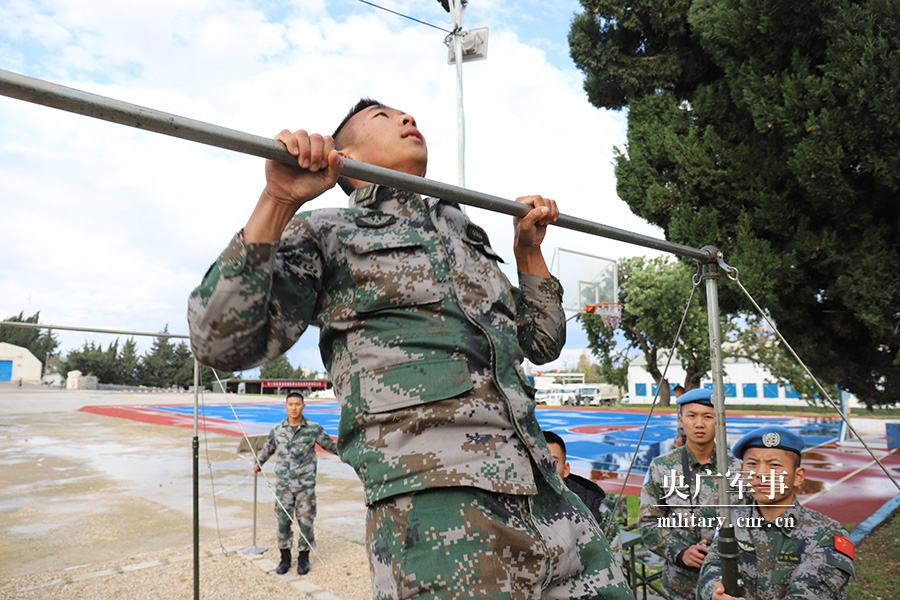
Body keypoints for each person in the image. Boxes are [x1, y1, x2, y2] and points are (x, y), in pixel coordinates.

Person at [188, 99, 632, 599]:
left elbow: (543, 342)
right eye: (383, 117)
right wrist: (277, 199)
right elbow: (216, 341)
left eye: (409, 115)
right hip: (439, 504)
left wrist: (528, 253)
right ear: (343, 153)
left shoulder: (469, 241)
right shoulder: (329, 231)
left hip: (548, 493)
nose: (407, 119)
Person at [697, 426, 855, 600]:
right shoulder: (732, 520)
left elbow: (811, 594)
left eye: (774, 465)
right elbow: (712, 568)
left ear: (798, 476)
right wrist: (714, 592)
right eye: (752, 464)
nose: (761, 474)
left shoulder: (827, 534)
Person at [638, 388, 741, 600]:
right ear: (680, 420)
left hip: (727, 588)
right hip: (680, 587)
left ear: (719, 421)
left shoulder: (739, 470)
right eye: (692, 416)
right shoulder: (661, 468)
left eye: (708, 416)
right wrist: (680, 552)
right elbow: (648, 523)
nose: (699, 424)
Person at [254, 391, 338, 575]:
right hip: (283, 485)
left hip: (305, 485)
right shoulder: (277, 429)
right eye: (290, 404)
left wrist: (349, 455)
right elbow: (268, 447)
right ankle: (285, 558)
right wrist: (258, 463)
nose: (294, 408)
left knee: (306, 521)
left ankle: (303, 558)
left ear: (303, 406)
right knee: (283, 521)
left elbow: (330, 445)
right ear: (285, 407)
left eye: (297, 404)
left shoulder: (313, 428)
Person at [544, 430, 624, 567]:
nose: (544, 468)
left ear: (566, 469)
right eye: (537, 461)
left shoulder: (593, 509)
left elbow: (613, 567)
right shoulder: (510, 508)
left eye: (553, 462)